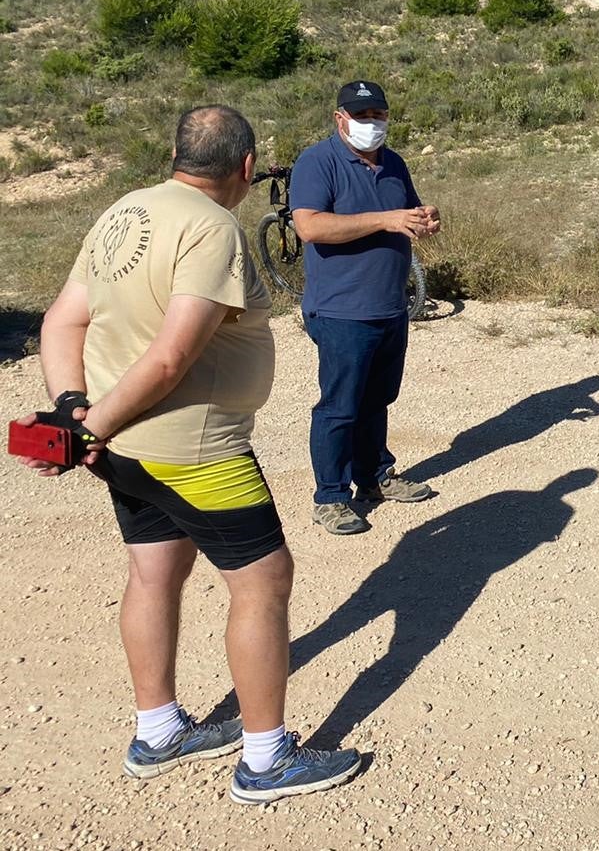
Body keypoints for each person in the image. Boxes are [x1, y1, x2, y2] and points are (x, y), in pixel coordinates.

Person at [14, 105, 361, 804]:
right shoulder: (212, 229)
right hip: (195, 450)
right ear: (243, 168)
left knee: (153, 574)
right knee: (263, 583)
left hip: (126, 450)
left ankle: (159, 731)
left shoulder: (126, 210)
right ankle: (266, 761)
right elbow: (172, 356)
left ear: (176, 154)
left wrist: (72, 412)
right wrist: (88, 429)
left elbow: (62, 319)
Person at [291, 80, 441, 536]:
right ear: (340, 119)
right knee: (340, 406)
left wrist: (424, 220)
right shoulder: (317, 162)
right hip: (341, 311)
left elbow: (407, 214)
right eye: (362, 116)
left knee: (378, 399)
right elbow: (310, 227)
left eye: (378, 115)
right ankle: (331, 497)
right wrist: (386, 219)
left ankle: (376, 478)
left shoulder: (395, 163)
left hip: (389, 306)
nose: (371, 124)